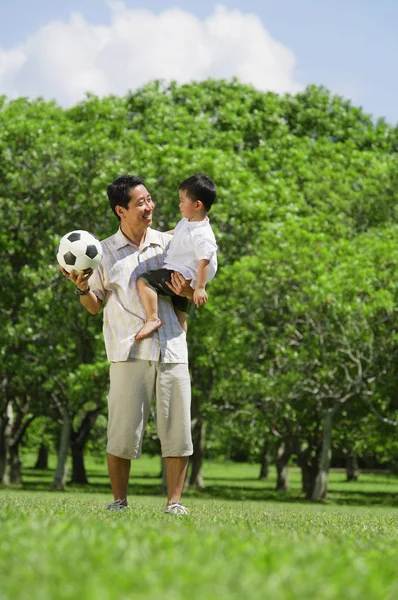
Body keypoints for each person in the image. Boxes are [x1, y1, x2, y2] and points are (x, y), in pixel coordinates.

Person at [60, 174, 194, 515]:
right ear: (121, 210)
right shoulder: (102, 252)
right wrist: (81, 287)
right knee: (121, 432)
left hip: (172, 350)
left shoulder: (170, 243)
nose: (149, 206)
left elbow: (191, 292)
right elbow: (94, 305)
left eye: (149, 199)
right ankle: (119, 501)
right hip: (127, 352)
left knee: (177, 430)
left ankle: (174, 503)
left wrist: (184, 296)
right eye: (140, 203)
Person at [135, 173, 218, 341]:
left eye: (182, 200)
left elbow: (205, 261)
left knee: (143, 281)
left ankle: (152, 318)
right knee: (180, 313)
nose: (179, 204)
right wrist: (158, 236)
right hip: (182, 276)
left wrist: (200, 288)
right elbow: (177, 233)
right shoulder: (188, 221)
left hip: (179, 274)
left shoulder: (203, 233)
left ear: (197, 205)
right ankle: (181, 338)